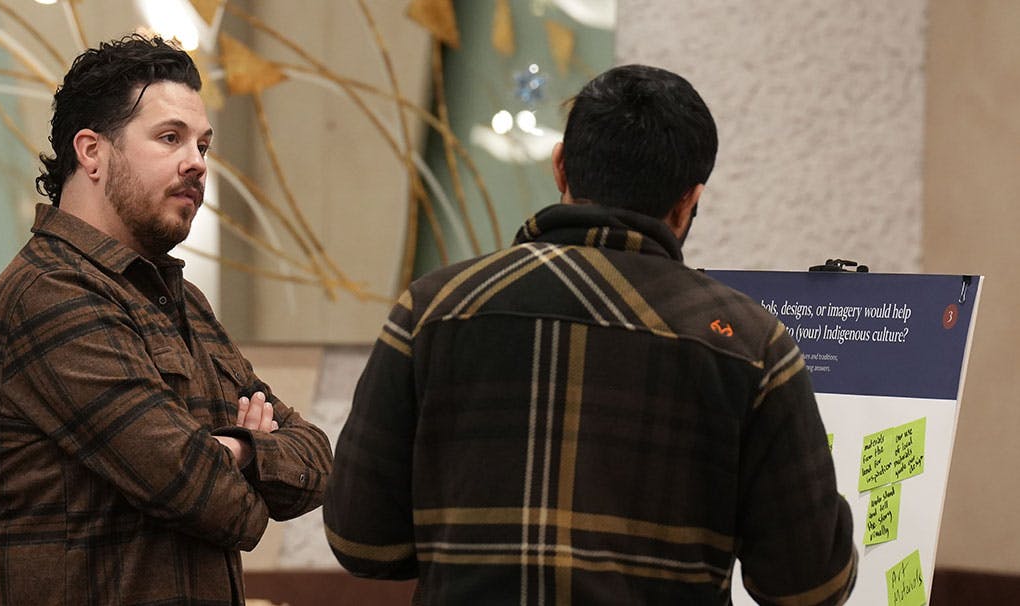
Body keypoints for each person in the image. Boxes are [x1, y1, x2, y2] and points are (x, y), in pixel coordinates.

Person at [323, 65, 856, 604]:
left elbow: (363, 542)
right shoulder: (750, 345)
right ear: (689, 200)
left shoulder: (432, 310)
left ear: (560, 165)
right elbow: (809, 585)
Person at [0, 35, 331, 605]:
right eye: (169, 138)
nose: (197, 163)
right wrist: (250, 450)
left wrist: (232, 451)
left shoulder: (186, 302)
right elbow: (211, 499)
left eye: (203, 145)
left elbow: (318, 460)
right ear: (91, 152)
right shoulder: (50, 292)